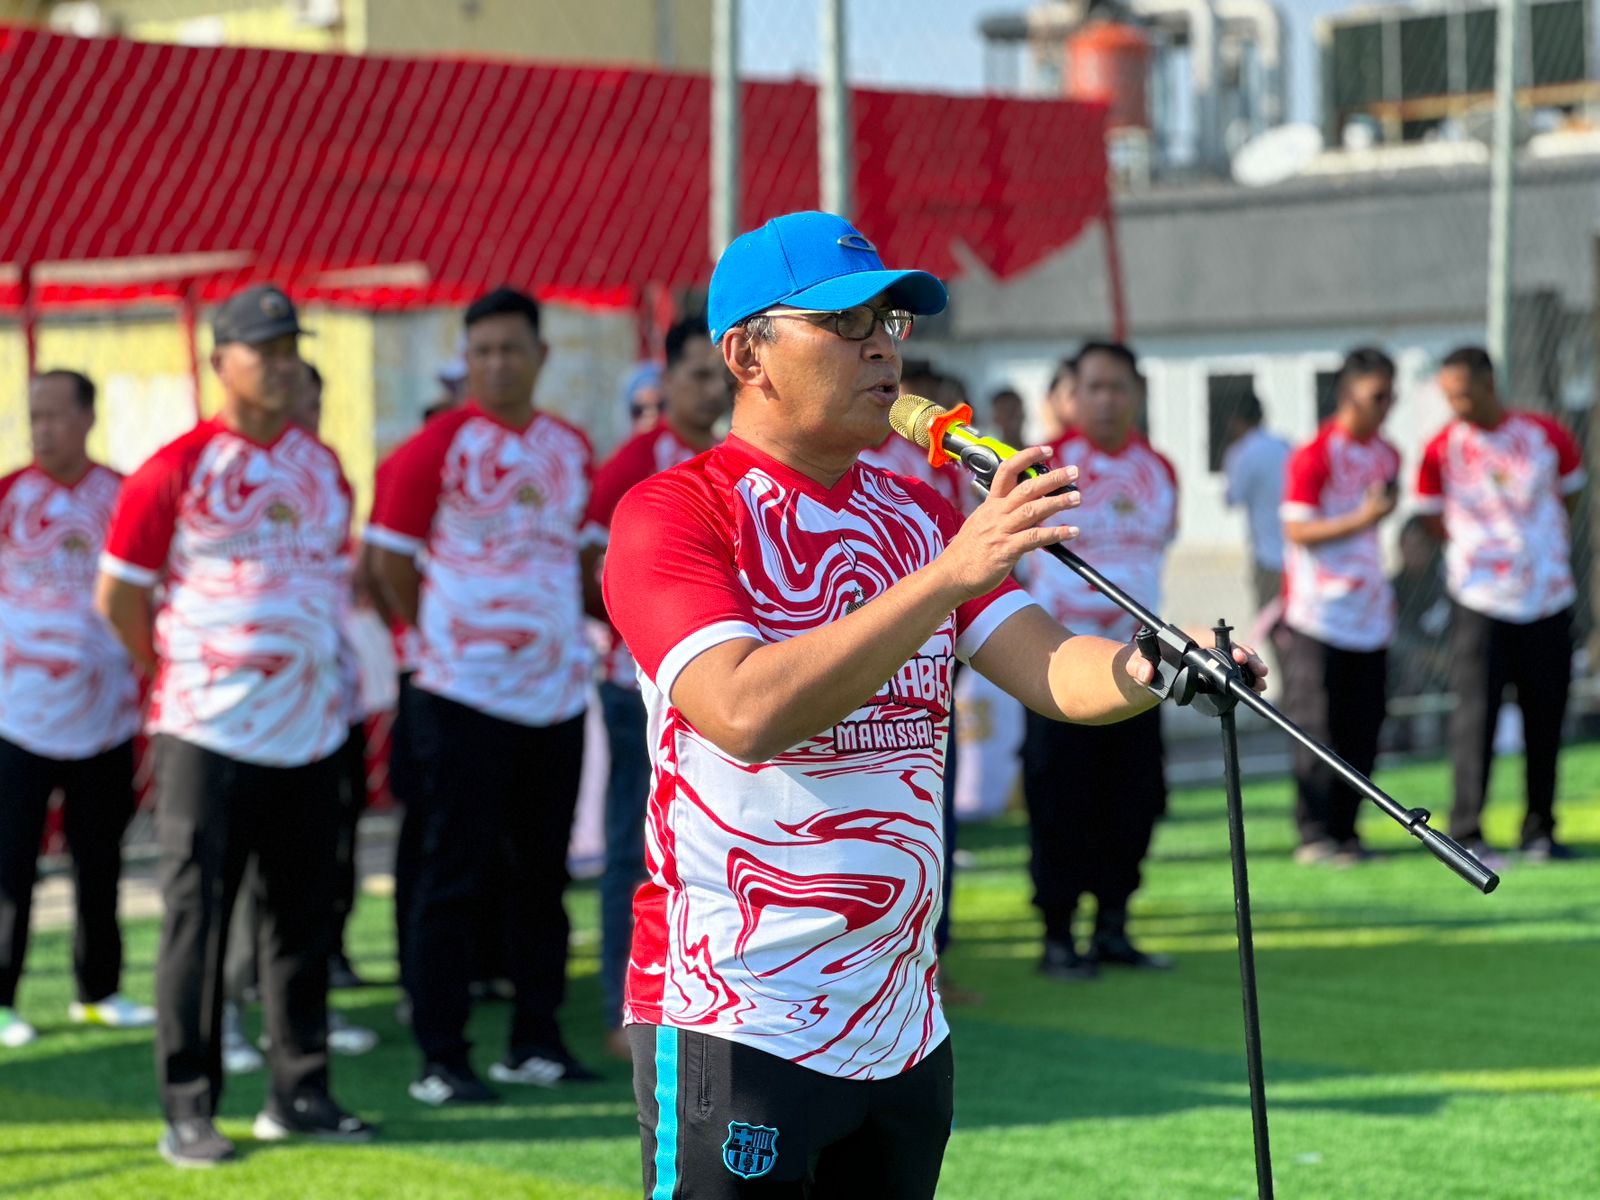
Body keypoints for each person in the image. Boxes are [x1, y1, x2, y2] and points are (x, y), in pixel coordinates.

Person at [603, 210, 1264, 1195]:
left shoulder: (917, 514)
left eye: (892, 325)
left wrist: (1154, 670)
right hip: (734, 1018)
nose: (882, 348)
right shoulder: (675, 511)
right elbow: (742, 709)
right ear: (747, 354)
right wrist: (947, 577)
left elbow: (1048, 668)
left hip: (904, 1030)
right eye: (847, 324)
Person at [96, 284, 373, 1167]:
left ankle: (300, 1092)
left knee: (298, 917)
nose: (285, 364)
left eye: (294, 347)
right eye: (267, 350)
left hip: (310, 731)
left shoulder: (322, 465)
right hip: (205, 733)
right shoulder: (174, 467)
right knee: (196, 919)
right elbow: (119, 597)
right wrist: (178, 675)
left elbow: (330, 580)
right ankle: (188, 1105)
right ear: (222, 364)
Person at [367, 286, 606, 1105]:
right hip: (458, 700)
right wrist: (436, 644)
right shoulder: (434, 446)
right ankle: (442, 1055)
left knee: (542, 878)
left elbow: (581, 566)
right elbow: (389, 562)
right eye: (482, 352)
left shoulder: (571, 447)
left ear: (540, 357)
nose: (497, 364)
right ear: (466, 362)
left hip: (554, 700)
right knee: (453, 880)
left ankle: (534, 1041)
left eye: (512, 348)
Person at [587, 317, 728, 1062]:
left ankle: (712, 1000)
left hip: (725, 691)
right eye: (697, 375)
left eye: (720, 374)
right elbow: (590, 574)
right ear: (664, 380)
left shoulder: (740, 459)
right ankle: (626, 1006)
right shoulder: (632, 466)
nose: (713, 389)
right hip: (638, 691)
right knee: (634, 853)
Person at [1019, 341, 1180, 980]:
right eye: (1095, 387)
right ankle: (1058, 936)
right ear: (1071, 396)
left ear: (1137, 393)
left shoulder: (1160, 468)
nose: (1107, 399)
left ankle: (1113, 925)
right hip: (1058, 661)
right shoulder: (1044, 467)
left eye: (1119, 387)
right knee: (1060, 800)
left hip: (1140, 666)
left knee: (1133, 799)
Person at [0, 370, 148, 1051]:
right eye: (34, 416)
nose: (43, 429)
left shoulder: (122, 497)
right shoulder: (9, 496)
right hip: (17, 718)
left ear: (88, 416)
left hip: (104, 718)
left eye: (56, 415)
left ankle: (100, 989)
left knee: (100, 858)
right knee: (10, 864)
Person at [1416, 346, 1586, 862]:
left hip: (1547, 598)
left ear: (1490, 384)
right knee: (1475, 719)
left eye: (1463, 393)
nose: (1456, 404)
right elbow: (1429, 515)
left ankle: (1540, 829)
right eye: (1448, 396)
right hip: (1479, 600)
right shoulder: (1442, 447)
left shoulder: (1545, 434)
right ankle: (1467, 831)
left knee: (1545, 716)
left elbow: (1572, 495)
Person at [1280, 347, 1401, 865]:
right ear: (1348, 393)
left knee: (1363, 726)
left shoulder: (1388, 453)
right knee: (1318, 726)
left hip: (1370, 614)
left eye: (1391, 393)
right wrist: (1364, 516)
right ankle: (1315, 833)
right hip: (1318, 614)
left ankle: (1349, 832)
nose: (1386, 404)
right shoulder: (1314, 453)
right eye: (1377, 395)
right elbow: (1297, 529)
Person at [1221, 388, 1291, 618]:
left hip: (1267, 554)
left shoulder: (1241, 453)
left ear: (1237, 419)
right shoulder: (1284, 445)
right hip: (1296, 551)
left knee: (1269, 622)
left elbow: (1232, 498)